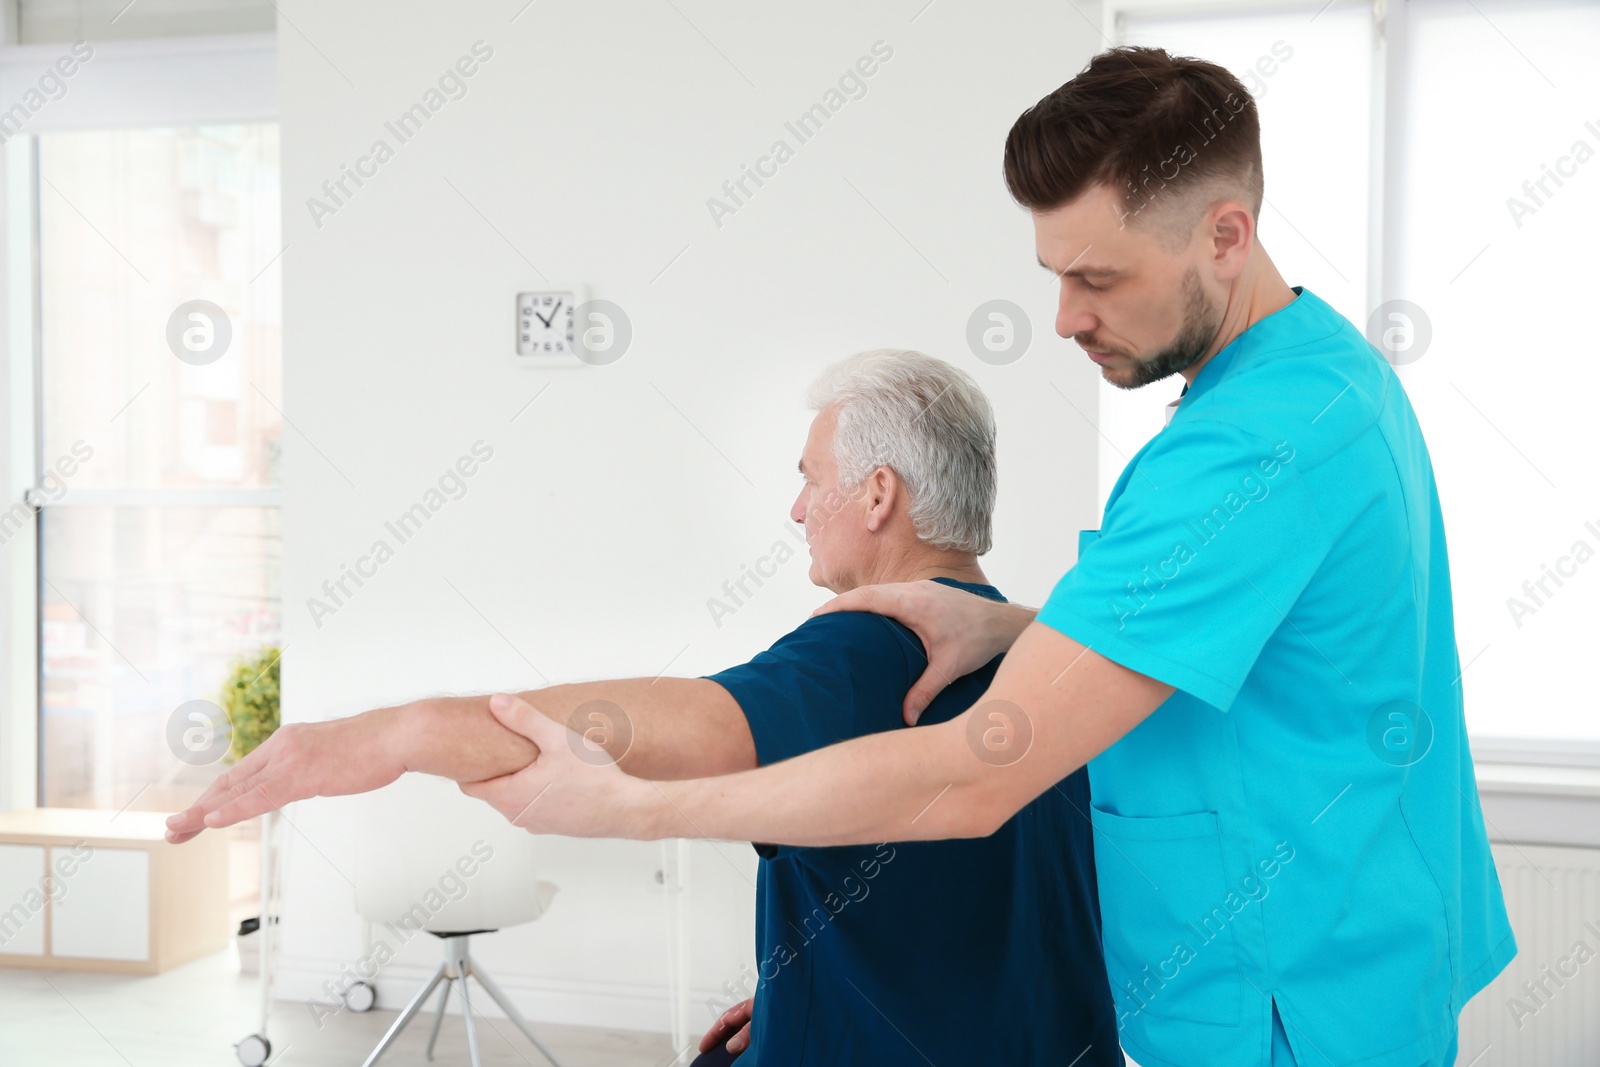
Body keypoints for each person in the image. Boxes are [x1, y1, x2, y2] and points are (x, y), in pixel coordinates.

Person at [429, 47, 1516, 1067]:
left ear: (1223, 235)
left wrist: (627, 805)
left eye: (1095, 277)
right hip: (1367, 943)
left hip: (1289, 991)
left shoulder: (1244, 452)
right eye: (1053, 273)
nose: (1062, 317)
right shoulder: (1324, 373)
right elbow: (1260, 636)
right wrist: (1023, 627)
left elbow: (968, 778)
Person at [167, 350, 1123, 1066]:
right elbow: (1001, 899)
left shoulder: (866, 650)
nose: (795, 508)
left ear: (878, 495)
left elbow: (642, 726)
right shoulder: (1066, 660)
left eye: (806, 475)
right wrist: (808, 985)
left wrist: (396, 733)